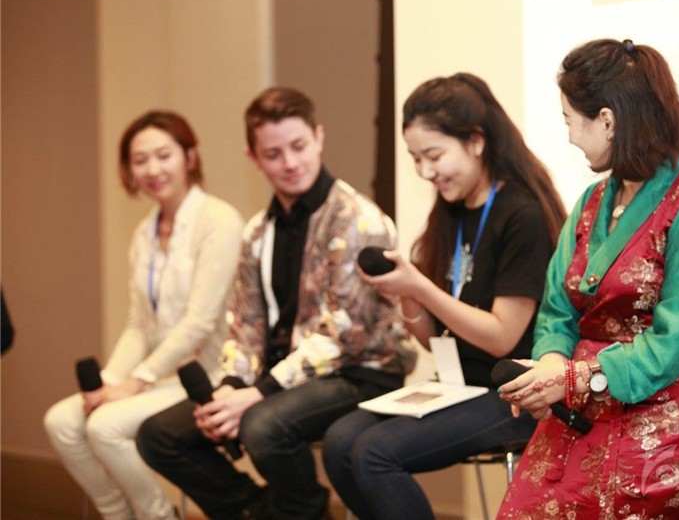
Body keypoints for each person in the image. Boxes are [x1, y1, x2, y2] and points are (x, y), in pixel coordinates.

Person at [136, 87, 418, 520]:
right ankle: (260, 511)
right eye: (273, 154)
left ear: (319, 137)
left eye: (299, 146)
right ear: (253, 157)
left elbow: (342, 335)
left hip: (362, 372)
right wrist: (232, 387)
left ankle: (305, 510)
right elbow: (245, 322)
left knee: (263, 425)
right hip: (284, 377)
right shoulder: (257, 231)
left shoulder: (358, 220)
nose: (289, 163)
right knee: (159, 435)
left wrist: (257, 393)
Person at [496, 39, 679, 519]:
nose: (570, 136)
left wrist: (571, 379)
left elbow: (671, 347)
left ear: (607, 121)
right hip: (577, 410)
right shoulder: (592, 202)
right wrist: (550, 369)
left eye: (570, 120)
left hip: (660, 418)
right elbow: (557, 309)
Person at [322, 73, 567, 520]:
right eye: (416, 159)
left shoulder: (522, 215)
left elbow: (502, 336)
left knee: (374, 454)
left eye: (434, 156)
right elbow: (430, 338)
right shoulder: (450, 212)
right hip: (454, 383)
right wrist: (406, 294)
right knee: (339, 443)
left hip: (509, 391)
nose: (425, 172)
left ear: (476, 141)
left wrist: (420, 286)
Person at [43, 110, 244, 520]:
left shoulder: (218, 221)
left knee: (105, 428)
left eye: (163, 155)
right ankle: (118, 515)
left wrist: (136, 382)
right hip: (159, 375)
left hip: (207, 375)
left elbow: (200, 322)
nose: (152, 169)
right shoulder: (144, 232)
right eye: (139, 160)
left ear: (190, 157)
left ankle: (158, 516)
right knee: (61, 421)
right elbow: (139, 324)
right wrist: (108, 383)